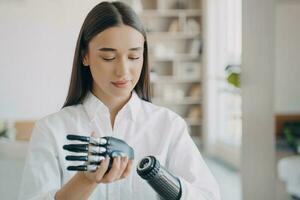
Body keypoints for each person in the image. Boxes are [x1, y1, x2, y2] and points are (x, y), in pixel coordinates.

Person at [18, 1, 220, 200]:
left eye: (133, 57)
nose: (123, 71)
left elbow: (208, 196)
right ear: (85, 56)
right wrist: (85, 181)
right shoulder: (51, 130)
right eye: (108, 57)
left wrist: (165, 182)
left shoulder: (168, 126)